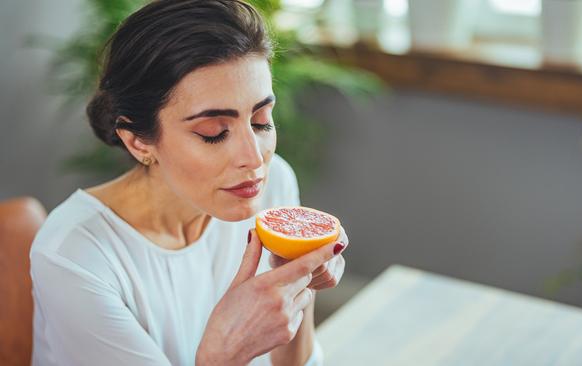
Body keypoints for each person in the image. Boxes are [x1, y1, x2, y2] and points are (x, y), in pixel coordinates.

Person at [29, 1, 348, 365]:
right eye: (213, 133)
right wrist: (223, 354)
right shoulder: (76, 256)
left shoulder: (273, 184)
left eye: (260, 121)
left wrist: (299, 282)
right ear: (139, 141)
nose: (254, 157)